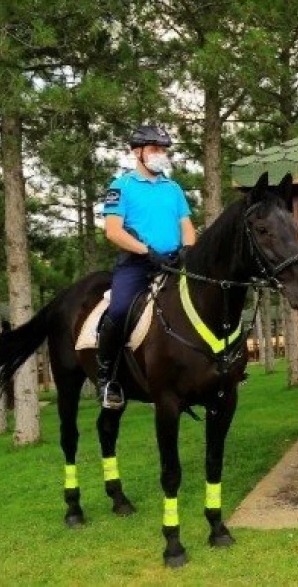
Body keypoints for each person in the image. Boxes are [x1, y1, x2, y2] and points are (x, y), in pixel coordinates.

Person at [97, 125, 195, 409]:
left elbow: (187, 226)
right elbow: (113, 231)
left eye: (163, 149)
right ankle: (108, 380)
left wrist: (187, 249)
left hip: (175, 264)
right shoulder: (120, 187)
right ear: (136, 152)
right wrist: (147, 252)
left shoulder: (173, 188)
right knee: (118, 309)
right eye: (154, 148)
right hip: (137, 265)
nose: (160, 154)